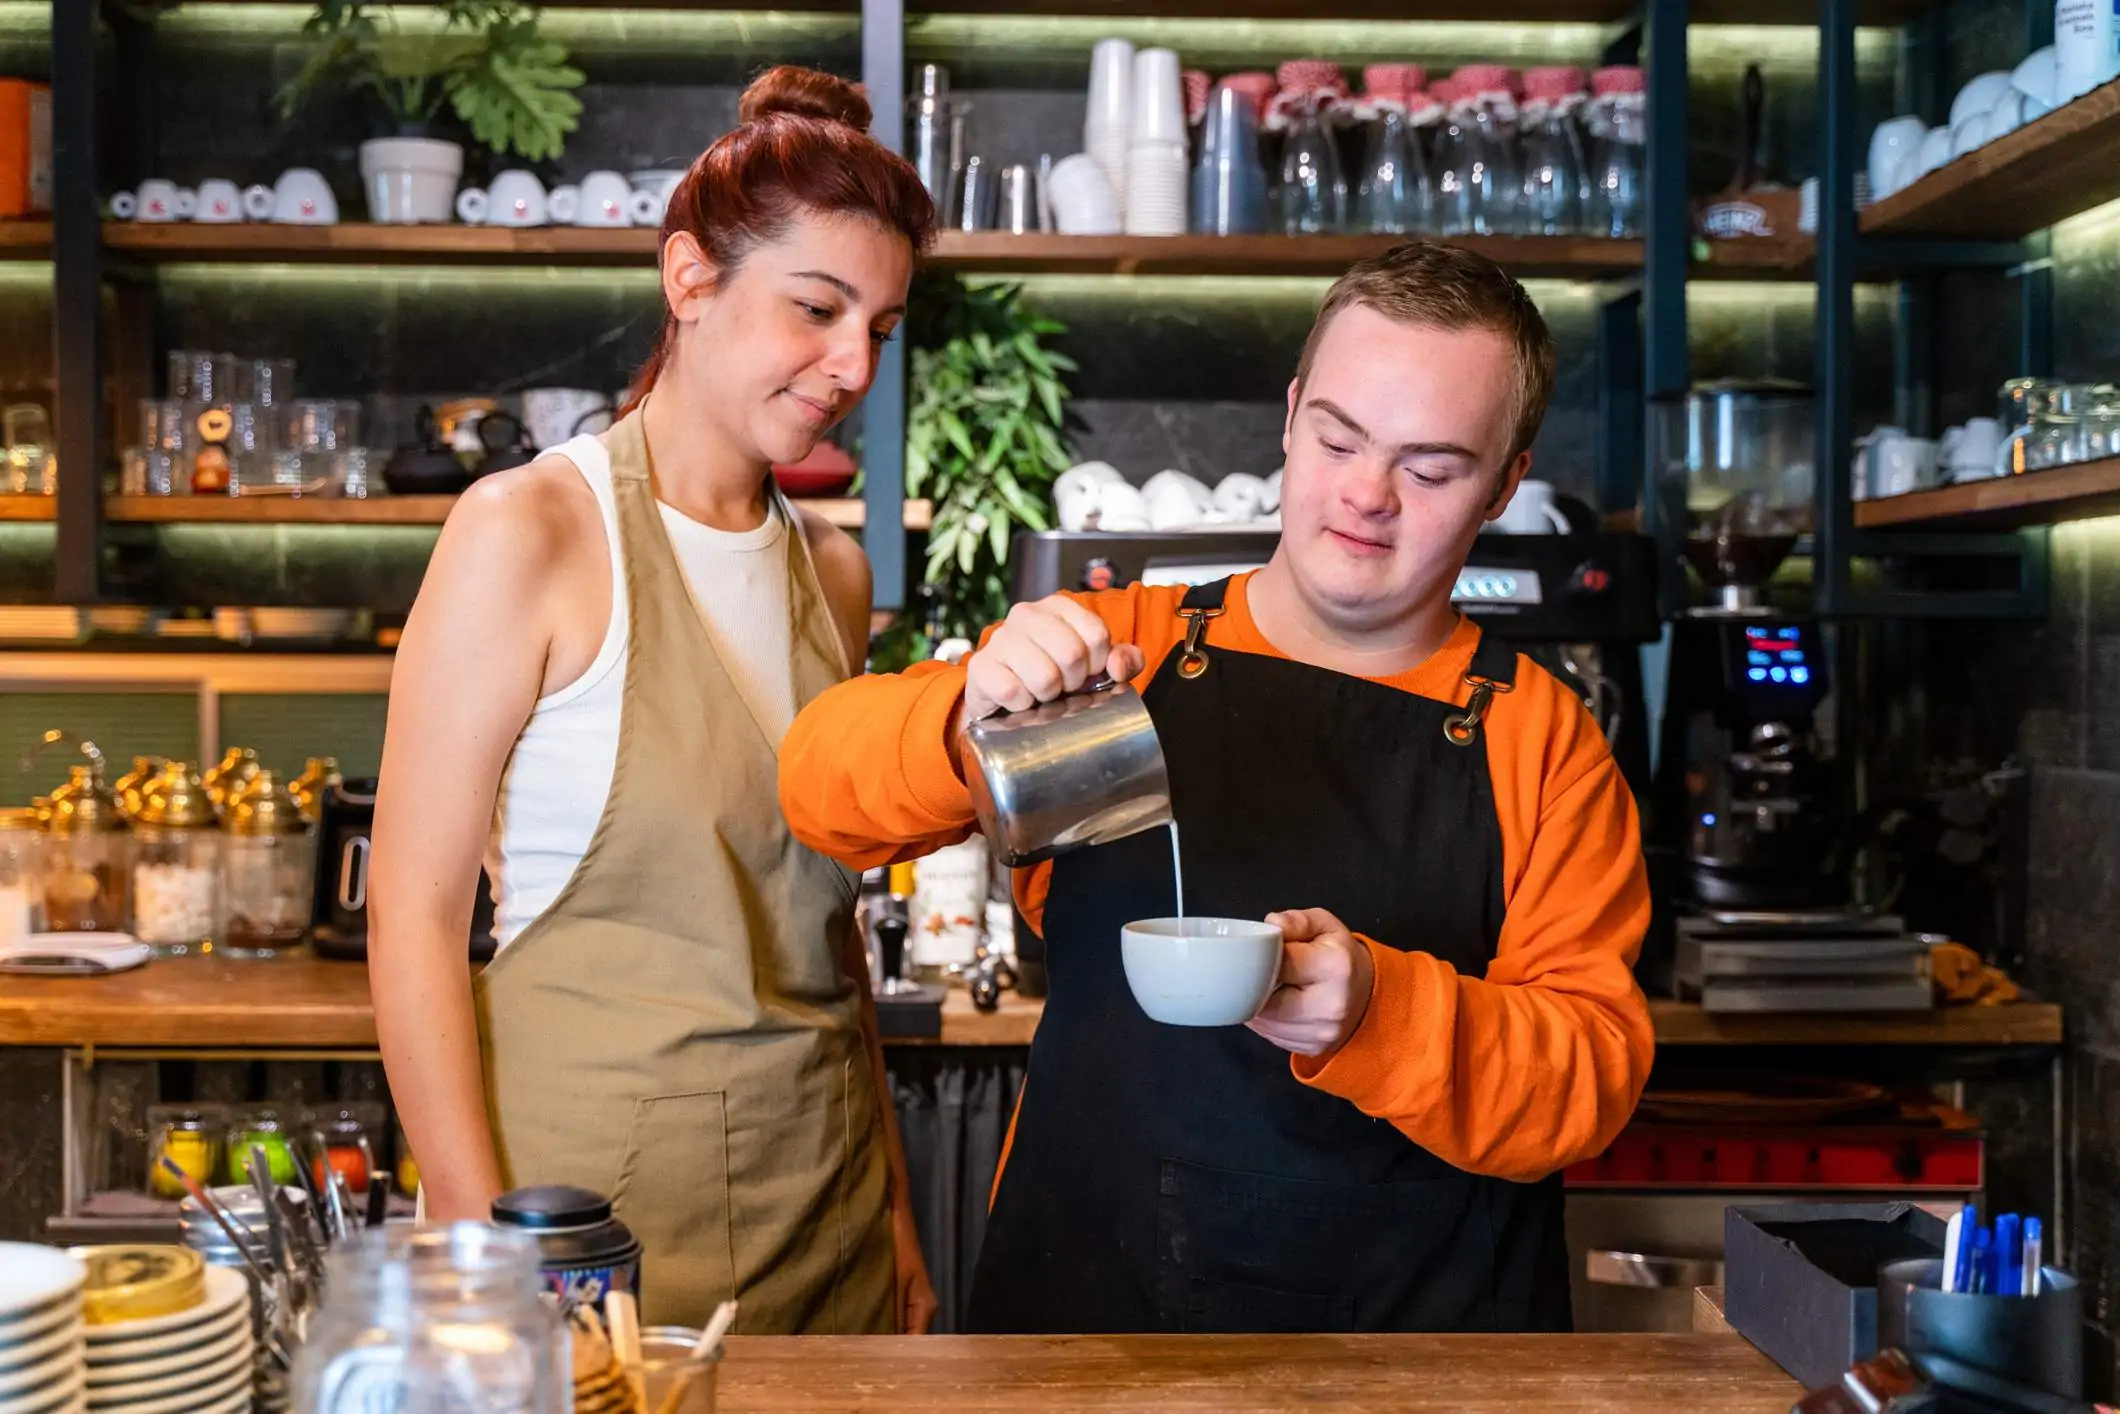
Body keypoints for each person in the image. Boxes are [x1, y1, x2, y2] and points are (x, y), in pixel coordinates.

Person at [778, 240, 1654, 1334]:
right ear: (1288, 419)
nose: (1365, 494)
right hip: (1087, 1322)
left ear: (1504, 484)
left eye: (1430, 469)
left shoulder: (1542, 741)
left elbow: (1588, 1079)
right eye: (1337, 437)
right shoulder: (1126, 652)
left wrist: (1383, 1010)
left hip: (1414, 1357)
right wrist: (963, 712)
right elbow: (817, 789)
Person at [368, 65, 938, 1334]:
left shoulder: (830, 571)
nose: (852, 364)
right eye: (817, 308)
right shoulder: (531, 531)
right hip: (582, 1242)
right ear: (691, 281)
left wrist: (895, 1212)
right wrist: (470, 1244)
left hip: (826, 1213)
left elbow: (827, 938)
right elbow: (410, 917)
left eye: (881, 327)